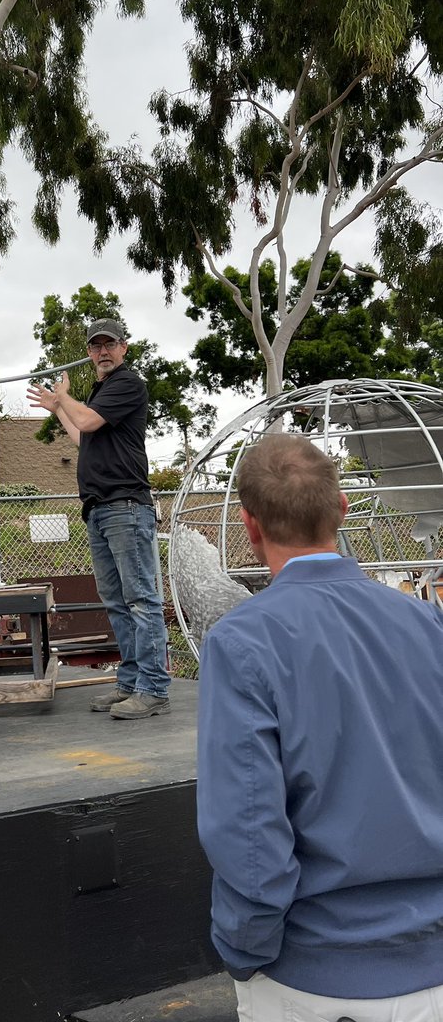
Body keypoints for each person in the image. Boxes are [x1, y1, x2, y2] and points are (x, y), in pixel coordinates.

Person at [197, 434, 443, 1022]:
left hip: (316, 976)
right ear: (343, 510)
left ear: (249, 526)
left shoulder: (241, 642)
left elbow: (248, 835)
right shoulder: (429, 624)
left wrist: (244, 950)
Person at [27, 318, 170, 718]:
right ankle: (129, 684)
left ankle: (154, 688)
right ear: (89, 352)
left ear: (123, 348)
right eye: (96, 346)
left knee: (141, 599)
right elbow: (82, 436)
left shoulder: (128, 383)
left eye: (109, 345)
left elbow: (87, 420)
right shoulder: (100, 392)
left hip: (126, 505)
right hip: (100, 509)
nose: (102, 352)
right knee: (117, 602)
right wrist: (59, 409)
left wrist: (64, 400)